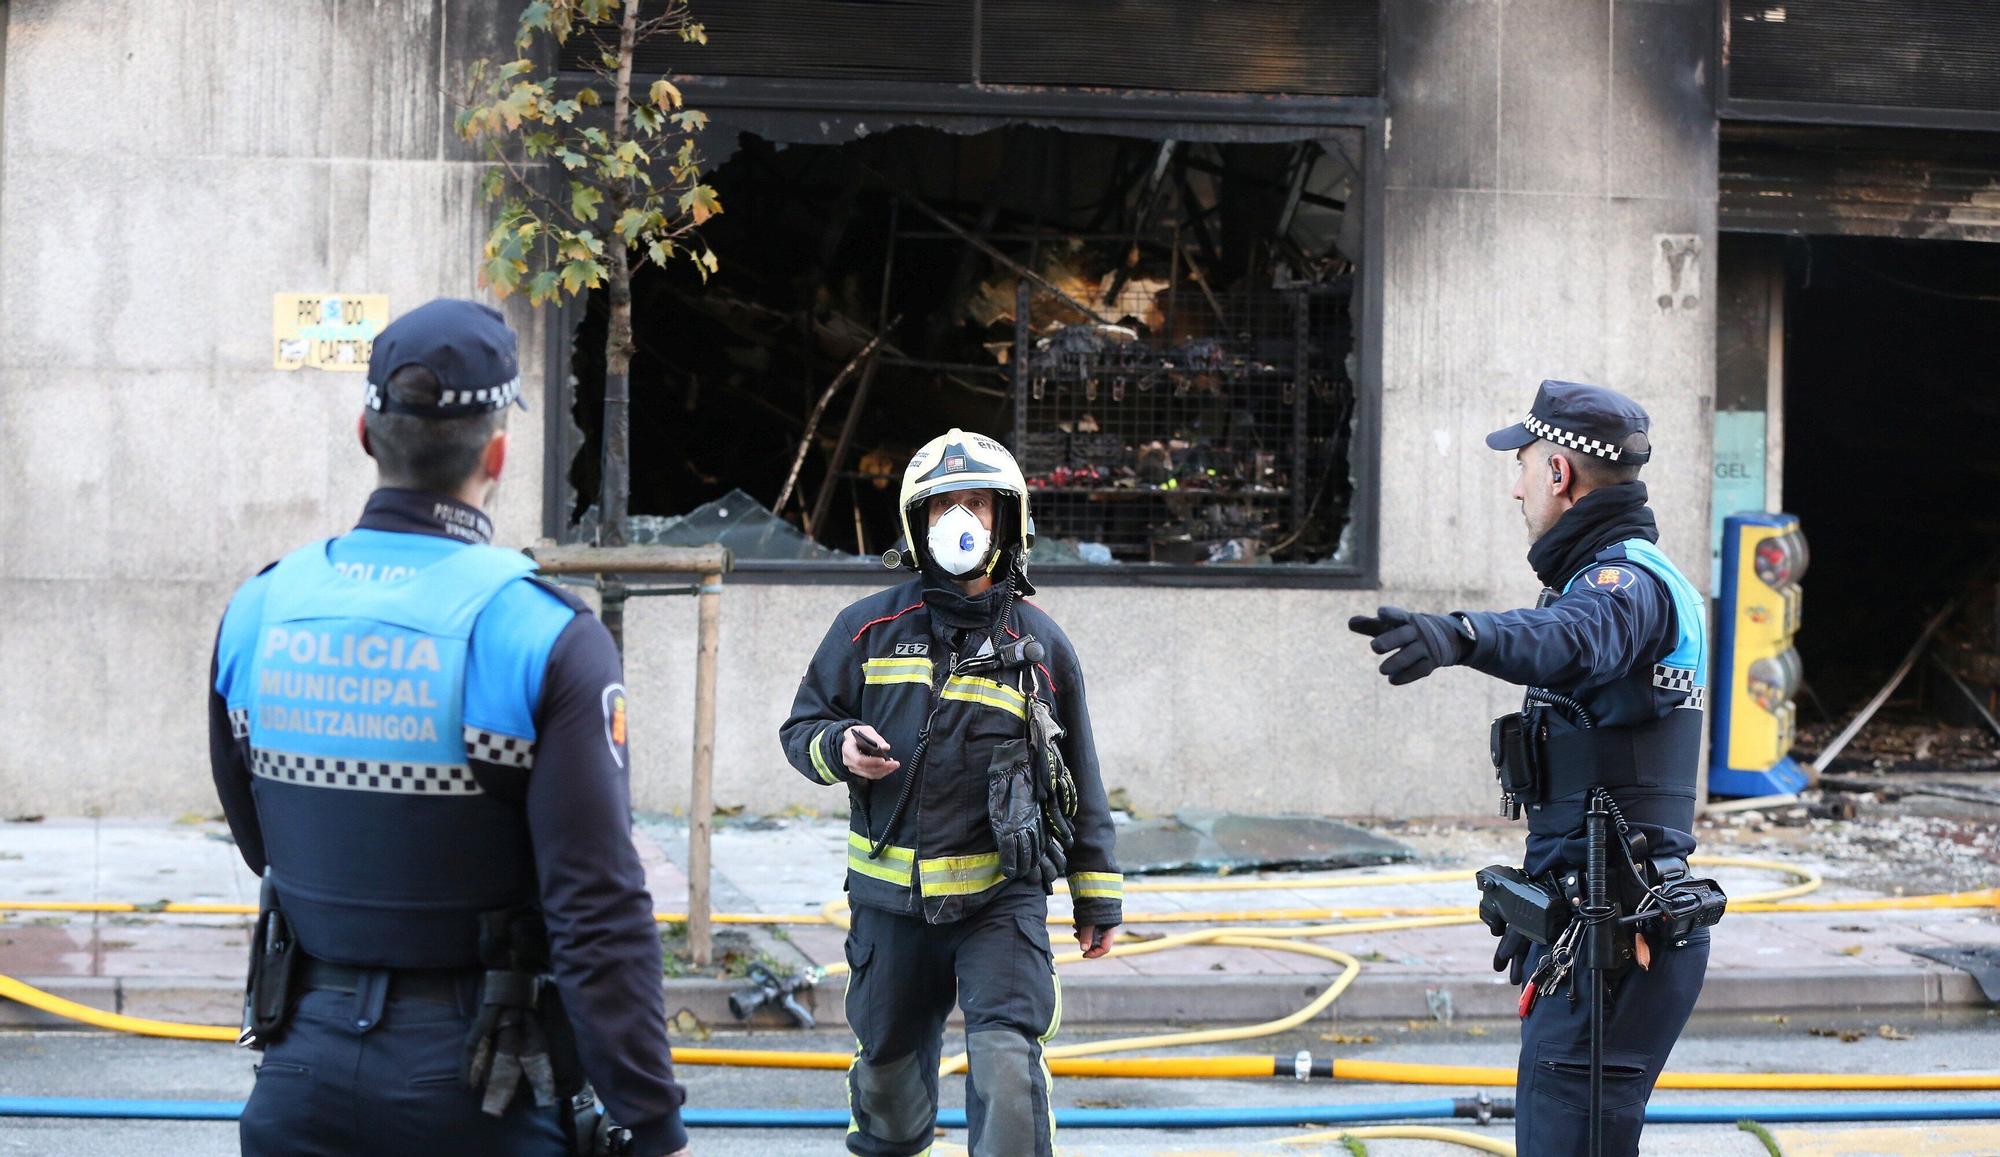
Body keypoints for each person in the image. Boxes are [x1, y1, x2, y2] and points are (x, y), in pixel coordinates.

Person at [209, 298, 691, 1157]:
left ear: (366, 433)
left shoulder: (259, 606)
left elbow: (259, 841)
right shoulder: (542, 632)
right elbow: (596, 909)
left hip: (299, 1071)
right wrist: (652, 1121)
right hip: (481, 1083)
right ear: (498, 452)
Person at [1349, 381, 1711, 1157]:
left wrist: (1462, 634)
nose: (1516, 488)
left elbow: (1576, 639)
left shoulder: (1625, 584)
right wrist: (1542, 892)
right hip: (1597, 928)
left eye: (1522, 466)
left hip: (1616, 941)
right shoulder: (1613, 578)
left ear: (1558, 473)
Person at [780, 429, 1123, 1157]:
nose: (960, 520)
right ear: (918, 523)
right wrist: (838, 746)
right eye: (943, 506)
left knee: (1007, 1068)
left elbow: (1081, 777)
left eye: (976, 503)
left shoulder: (1041, 647)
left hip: (1001, 898)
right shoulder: (867, 630)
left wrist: (1097, 897)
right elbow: (801, 727)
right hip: (891, 904)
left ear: (1006, 519)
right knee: (888, 1086)